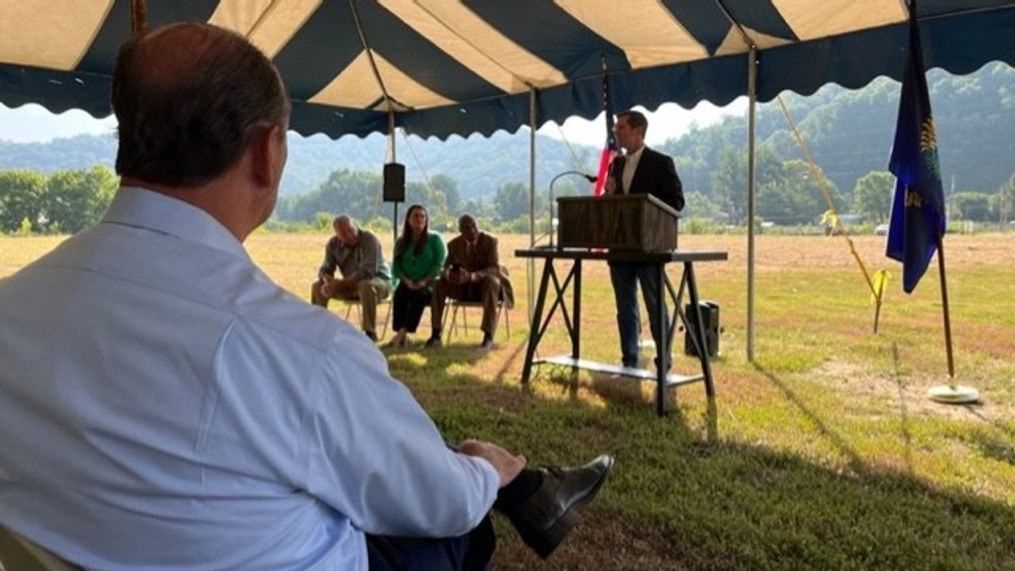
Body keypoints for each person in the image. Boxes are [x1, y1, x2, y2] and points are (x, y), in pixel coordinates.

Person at [0, 22, 613, 571]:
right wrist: (484, 470)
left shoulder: (12, 310)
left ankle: (526, 487)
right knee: (455, 517)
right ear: (267, 153)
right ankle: (524, 487)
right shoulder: (303, 351)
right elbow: (441, 504)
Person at [603, 109, 685, 369]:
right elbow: (613, 206)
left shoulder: (661, 163)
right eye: (616, 128)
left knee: (654, 305)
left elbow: (676, 202)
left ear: (639, 131)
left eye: (621, 128)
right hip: (620, 246)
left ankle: (664, 358)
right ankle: (628, 358)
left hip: (649, 246)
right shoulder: (616, 164)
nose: (616, 132)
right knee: (625, 309)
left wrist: (648, 208)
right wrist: (610, 194)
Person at [426, 215, 514, 349]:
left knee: (492, 282)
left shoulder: (490, 242)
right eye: (466, 228)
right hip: (463, 288)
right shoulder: (454, 245)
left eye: (473, 226)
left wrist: (473, 276)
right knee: (439, 283)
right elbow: (444, 268)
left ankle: (488, 336)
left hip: (485, 288)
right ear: (460, 230)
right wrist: (450, 274)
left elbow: (494, 268)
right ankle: (435, 334)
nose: (471, 230)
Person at [311, 214, 392, 341]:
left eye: (350, 230)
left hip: (378, 283)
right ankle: (318, 329)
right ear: (338, 235)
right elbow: (326, 267)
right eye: (343, 233)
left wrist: (337, 284)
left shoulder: (369, 240)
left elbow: (366, 272)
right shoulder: (333, 244)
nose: (349, 235)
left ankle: (369, 333)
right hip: (350, 285)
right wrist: (325, 278)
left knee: (365, 285)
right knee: (317, 286)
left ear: (354, 225)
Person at [387, 204, 446, 349]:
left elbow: (439, 264)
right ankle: (401, 334)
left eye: (422, 216)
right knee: (400, 294)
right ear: (408, 219)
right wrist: (406, 281)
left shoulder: (435, 239)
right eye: (415, 216)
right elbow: (396, 266)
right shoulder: (401, 242)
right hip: (407, 282)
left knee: (419, 296)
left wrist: (424, 281)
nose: (419, 219)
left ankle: (401, 334)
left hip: (429, 284)